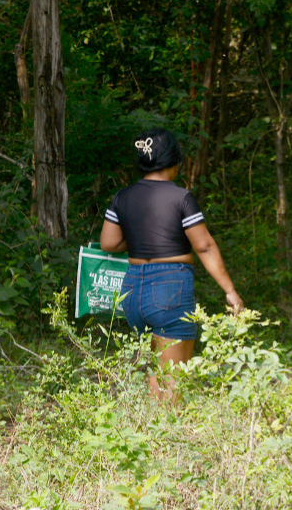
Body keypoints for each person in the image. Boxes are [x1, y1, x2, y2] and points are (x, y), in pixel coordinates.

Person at [99, 128, 244, 401]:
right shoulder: (181, 198)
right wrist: (230, 290)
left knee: (155, 369)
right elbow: (204, 245)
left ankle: (148, 433)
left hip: (132, 291)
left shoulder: (122, 197)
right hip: (169, 288)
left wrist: (143, 240)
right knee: (172, 381)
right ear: (174, 162)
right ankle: (162, 439)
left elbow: (108, 243)